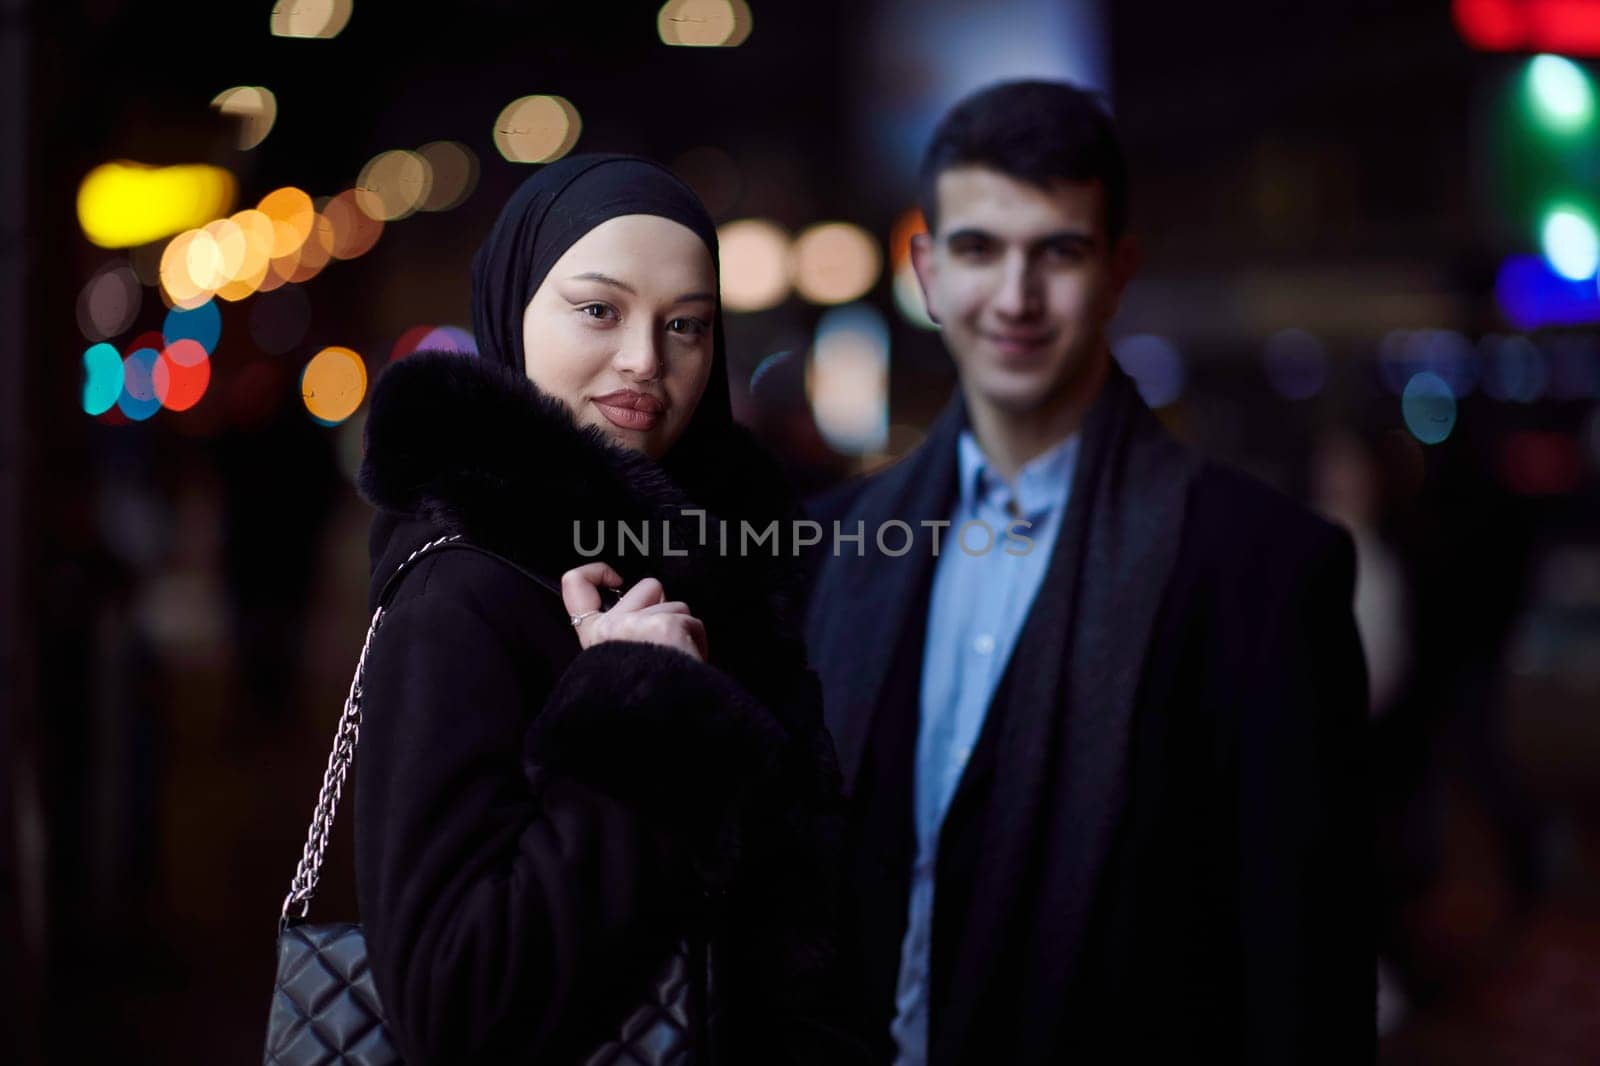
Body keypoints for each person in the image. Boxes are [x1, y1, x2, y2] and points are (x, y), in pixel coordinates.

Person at [804, 81, 1373, 1064]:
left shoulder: (1266, 568)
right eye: (979, 249)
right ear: (928, 273)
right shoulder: (833, 542)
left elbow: (1306, 970)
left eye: (1056, 251)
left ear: (1117, 272)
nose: (1015, 297)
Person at [354, 154, 858, 1063]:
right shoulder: (463, 594)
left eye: (687, 325)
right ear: (515, 312)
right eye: (598, 309)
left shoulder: (722, 568)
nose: (644, 360)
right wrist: (635, 706)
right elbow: (454, 1009)